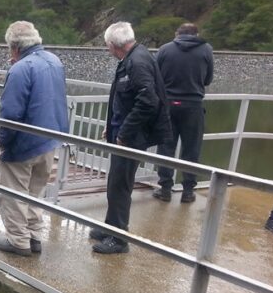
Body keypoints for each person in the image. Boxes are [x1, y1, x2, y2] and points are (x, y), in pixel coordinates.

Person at [90, 22, 172, 254]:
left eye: (107, 45)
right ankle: (110, 226)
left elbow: (149, 101)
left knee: (120, 185)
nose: (107, 49)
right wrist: (113, 127)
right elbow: (127, 101)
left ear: (113, 45)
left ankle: (118, 239)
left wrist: (124, 133)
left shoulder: (137, 63)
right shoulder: (133, 58)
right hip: (125, 134)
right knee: (115, 182)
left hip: (132, 138)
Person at [0, 21, 69, 256]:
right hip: (50, 140)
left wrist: (4, 142)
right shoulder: (54, 61)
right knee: (35, 191)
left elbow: (11, 114)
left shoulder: (20, 69)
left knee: (12, 194)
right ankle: (34, 236)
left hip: (24, 144)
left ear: (14, 47)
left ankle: (18, 242)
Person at [153, 23, 214, 203]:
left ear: (177, 34)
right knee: (191, 149)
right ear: (197, 34)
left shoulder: (165, 50)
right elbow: (208, 78)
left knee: (166, 147)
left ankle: (165, 188)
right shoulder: (206, 50)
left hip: (168, 104)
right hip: (193, 105)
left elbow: (155, 77)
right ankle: (188, 191)